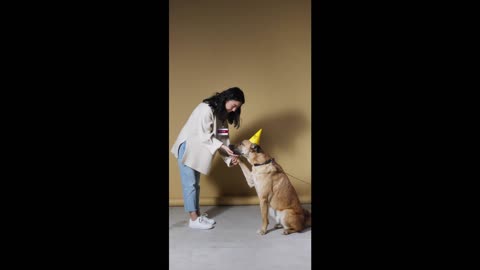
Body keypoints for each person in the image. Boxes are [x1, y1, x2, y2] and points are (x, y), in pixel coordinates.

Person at [171, 87, 245, 229]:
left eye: (238, 107)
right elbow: (203, 135)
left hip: (198, 152)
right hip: (188, 148)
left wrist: (230, 159)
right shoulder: (205, 109)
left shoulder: (222, 117)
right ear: (226, 99)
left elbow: (223, 140)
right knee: (190, 184)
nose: (235, 109)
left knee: (195, 185)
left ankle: (197, 216)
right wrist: (224, 149)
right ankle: (193, 220)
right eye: (234, 105)